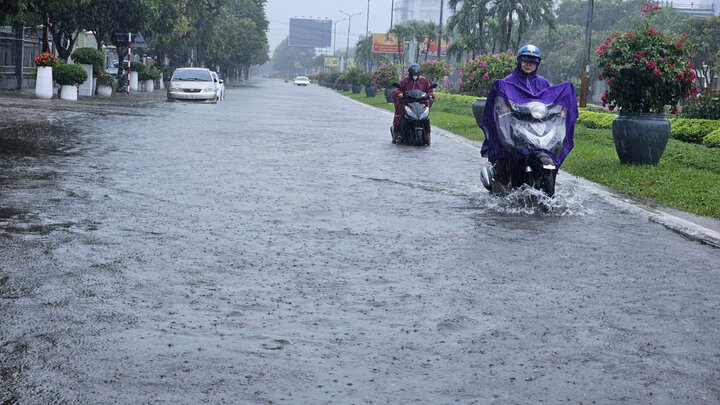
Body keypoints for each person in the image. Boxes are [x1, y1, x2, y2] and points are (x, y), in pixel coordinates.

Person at [391, 64, 435, 145]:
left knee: (426, 120)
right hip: (407, 103)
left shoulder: (424, 80)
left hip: (421, 104)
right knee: (398, 120)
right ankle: (394, 139)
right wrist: (400, 93)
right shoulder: (404, 80)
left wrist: (430, 95)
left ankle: (429, 142)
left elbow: (430, 90)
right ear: (410, 73)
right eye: (413, 74)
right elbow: (398, 89)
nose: (415, 76)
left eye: (416, 74)